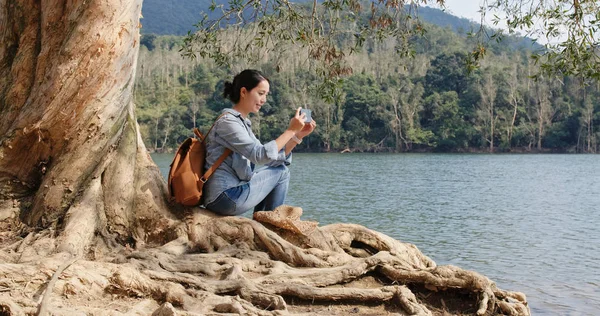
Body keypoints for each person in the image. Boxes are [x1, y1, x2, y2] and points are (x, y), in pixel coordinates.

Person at [203, 69, 316, 216]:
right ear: (244, 92)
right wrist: (290, 131)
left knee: (280, 169)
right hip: (224, 197)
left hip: (229, 195)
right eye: (261, 93)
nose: (264, 100)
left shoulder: (242, 123)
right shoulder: (228, 122)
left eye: (266, 95)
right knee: (282, 173)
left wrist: (297, 136)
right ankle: (271, 223)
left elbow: (270, 157)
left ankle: (265, 222)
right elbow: (260, 155)